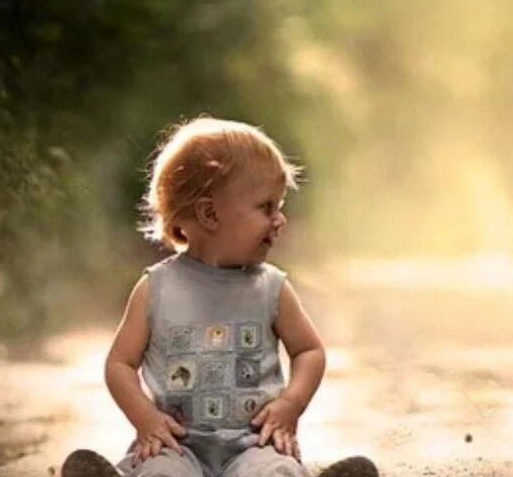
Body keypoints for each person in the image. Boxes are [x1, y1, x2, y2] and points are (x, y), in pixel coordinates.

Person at [62, 117, 377, 477]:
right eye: (266, 207)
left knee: (272, 471)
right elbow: (119, 364)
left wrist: (291, 403)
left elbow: (309, 351)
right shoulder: (157, 288)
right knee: (161, 473)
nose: (280, 219)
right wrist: (146, 419)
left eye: (279, 205)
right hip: (177, 446)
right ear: (210, 214)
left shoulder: (271, 288)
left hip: (253, 444)